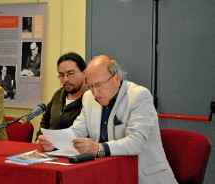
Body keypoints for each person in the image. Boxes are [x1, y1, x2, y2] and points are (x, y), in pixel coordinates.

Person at [38, 55, 177, 184]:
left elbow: (137, 142)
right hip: (108, 174)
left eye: (98, 85)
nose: (94, 92)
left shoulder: (139, 96)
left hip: (144, 176)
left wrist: (99, 148)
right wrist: (55, 143)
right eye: (90, 86)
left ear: (117, 78)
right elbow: (76, 131)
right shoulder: (88, 98)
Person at [35, 52, 87, 140]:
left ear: (84, 73)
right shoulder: (58, 95)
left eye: (70, 74)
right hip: (49, 149)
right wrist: (40, 138)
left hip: (73, 150)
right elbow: (46, 119)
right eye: (62, 75)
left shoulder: (90, 100)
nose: (65, 79)